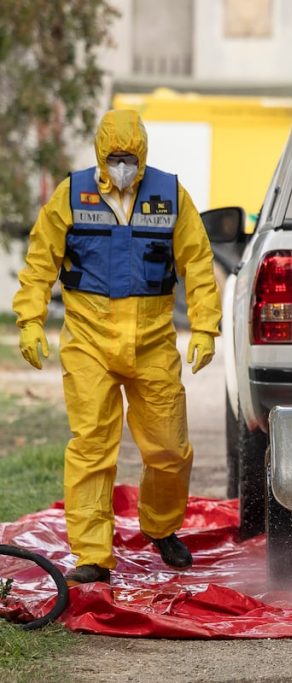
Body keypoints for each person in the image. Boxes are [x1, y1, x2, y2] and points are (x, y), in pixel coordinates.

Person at [13, 110, 221, 585]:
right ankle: (92, 555)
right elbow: (41, 259)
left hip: (152, 342)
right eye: (115, 157)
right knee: (91, 448)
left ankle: (161, 527)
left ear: (142, 154)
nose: (123, 165)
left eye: (130, 157)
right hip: (89, 340)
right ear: (100, 154)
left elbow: (197, 261)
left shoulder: (170, 195)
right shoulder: (71, 195)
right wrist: (29, 320)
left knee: (170, 448)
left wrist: (205, 327)